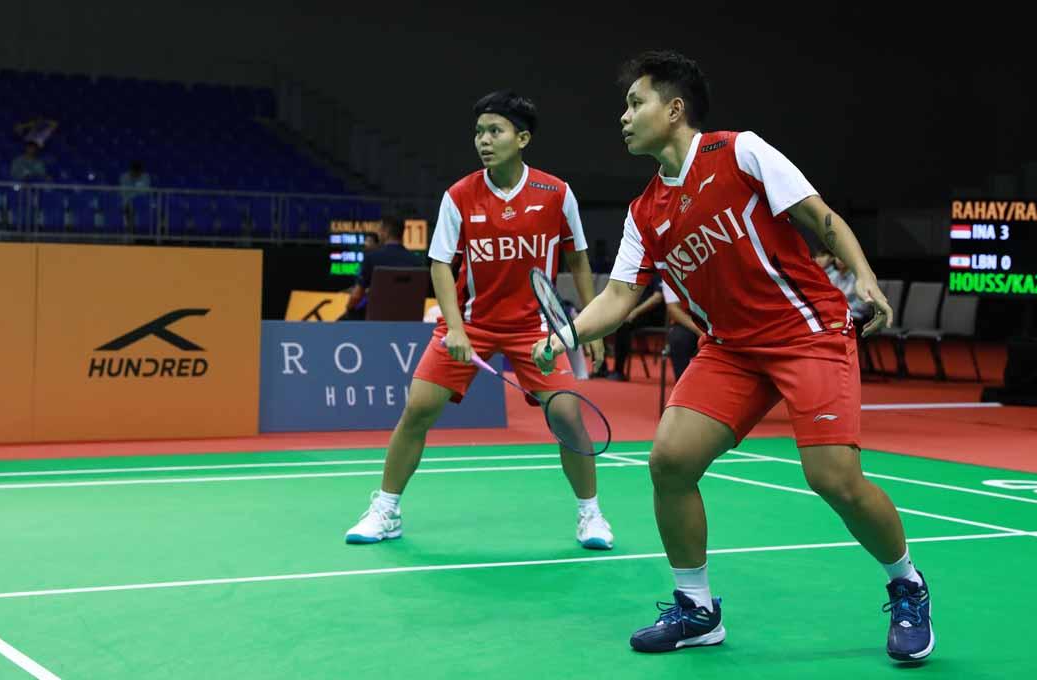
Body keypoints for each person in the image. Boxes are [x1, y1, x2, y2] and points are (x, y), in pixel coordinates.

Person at [533, 50, 932, 661]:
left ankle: (907, 585)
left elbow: (818, 216)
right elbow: (617, 297)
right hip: (732, 349)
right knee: (669, 459)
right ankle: (696, 608)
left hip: (807, 332)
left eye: (635, 103)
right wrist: (565, 335)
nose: (624, 116)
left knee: (833, 478)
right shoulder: (645, 211)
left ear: (675, 109)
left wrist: (865, 276)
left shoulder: (740, 151)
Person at [344, 90, 614, 550]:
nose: (483, 141)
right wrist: (454, 328)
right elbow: (440, 265)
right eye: (478, 132)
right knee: (418, 409)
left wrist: (589, 328)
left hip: (536, 329)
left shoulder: (556, 193)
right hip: (473, 321)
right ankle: (386, 509)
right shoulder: (459, 195)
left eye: (495, 131)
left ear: (522, 138)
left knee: (568, 416)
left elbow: (580, 261)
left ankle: (590, 515)